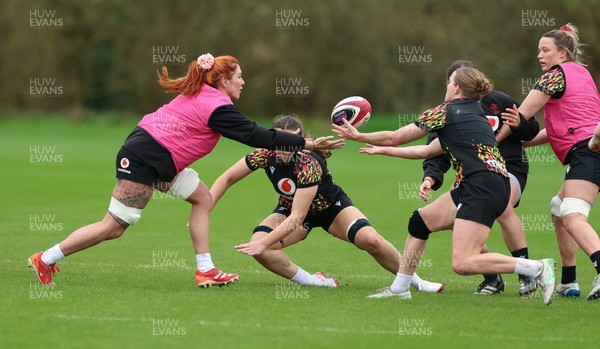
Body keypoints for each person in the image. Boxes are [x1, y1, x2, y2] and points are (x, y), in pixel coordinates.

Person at [27, 53, 344, 288]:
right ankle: (46, 258)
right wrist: (306, 143)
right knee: (113, 227)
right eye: (239, 77)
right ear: (223, 81)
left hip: (160, 159)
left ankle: (205, 269)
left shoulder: (204, 93)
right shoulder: (217, 106)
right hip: (144, 157)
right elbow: (256, 136)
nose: (243, 82)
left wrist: (306, 143)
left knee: (202, 199)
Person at [333, 67, 556, 305]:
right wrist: (384, 151)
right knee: (420, 222)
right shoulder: (475, 112)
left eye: (450, 82)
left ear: (457, 88)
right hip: (486, 182)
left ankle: (537, 268)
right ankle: (400, 288)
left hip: (482, 185)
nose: (447, 85)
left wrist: (360, 136)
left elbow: (395, 136)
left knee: (463, 263)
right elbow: (428, 151)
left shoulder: (445, 112)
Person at [210, 114, 444, 293]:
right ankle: (314, 281)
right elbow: (227, 177)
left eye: (294, 139)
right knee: (259, 248)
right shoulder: (264, 155)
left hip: (330, 208)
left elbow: (298, 218)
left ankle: (417, 281)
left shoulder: (308, 162)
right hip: (290, 209)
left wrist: (264, 244)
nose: (286, 145)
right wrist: (206, 208)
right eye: (282, 138)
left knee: (370, 240)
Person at [418, 60, 541, 296]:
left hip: (509, 168)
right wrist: (430, 177)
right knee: (459, 218)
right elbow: (436, 150)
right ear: (452, 84)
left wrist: (520, 124)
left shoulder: (499, 101)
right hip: (473, 175)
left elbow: (531, 129)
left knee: (504, 208)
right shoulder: (446, 111)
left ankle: (527, 274)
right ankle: (493, 279)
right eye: (456, 79)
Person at [501, 23, 600, 300]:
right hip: (590, 146)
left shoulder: (554, 77)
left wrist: (492, 140)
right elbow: (566, 125)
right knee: (558, 210)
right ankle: (569, 281)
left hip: (587, 151)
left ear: (563, 54)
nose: (540, 56)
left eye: (545, 50)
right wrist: (527, 141)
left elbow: (520, 116)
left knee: (572, 214)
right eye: (538, 51)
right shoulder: (582, 74)